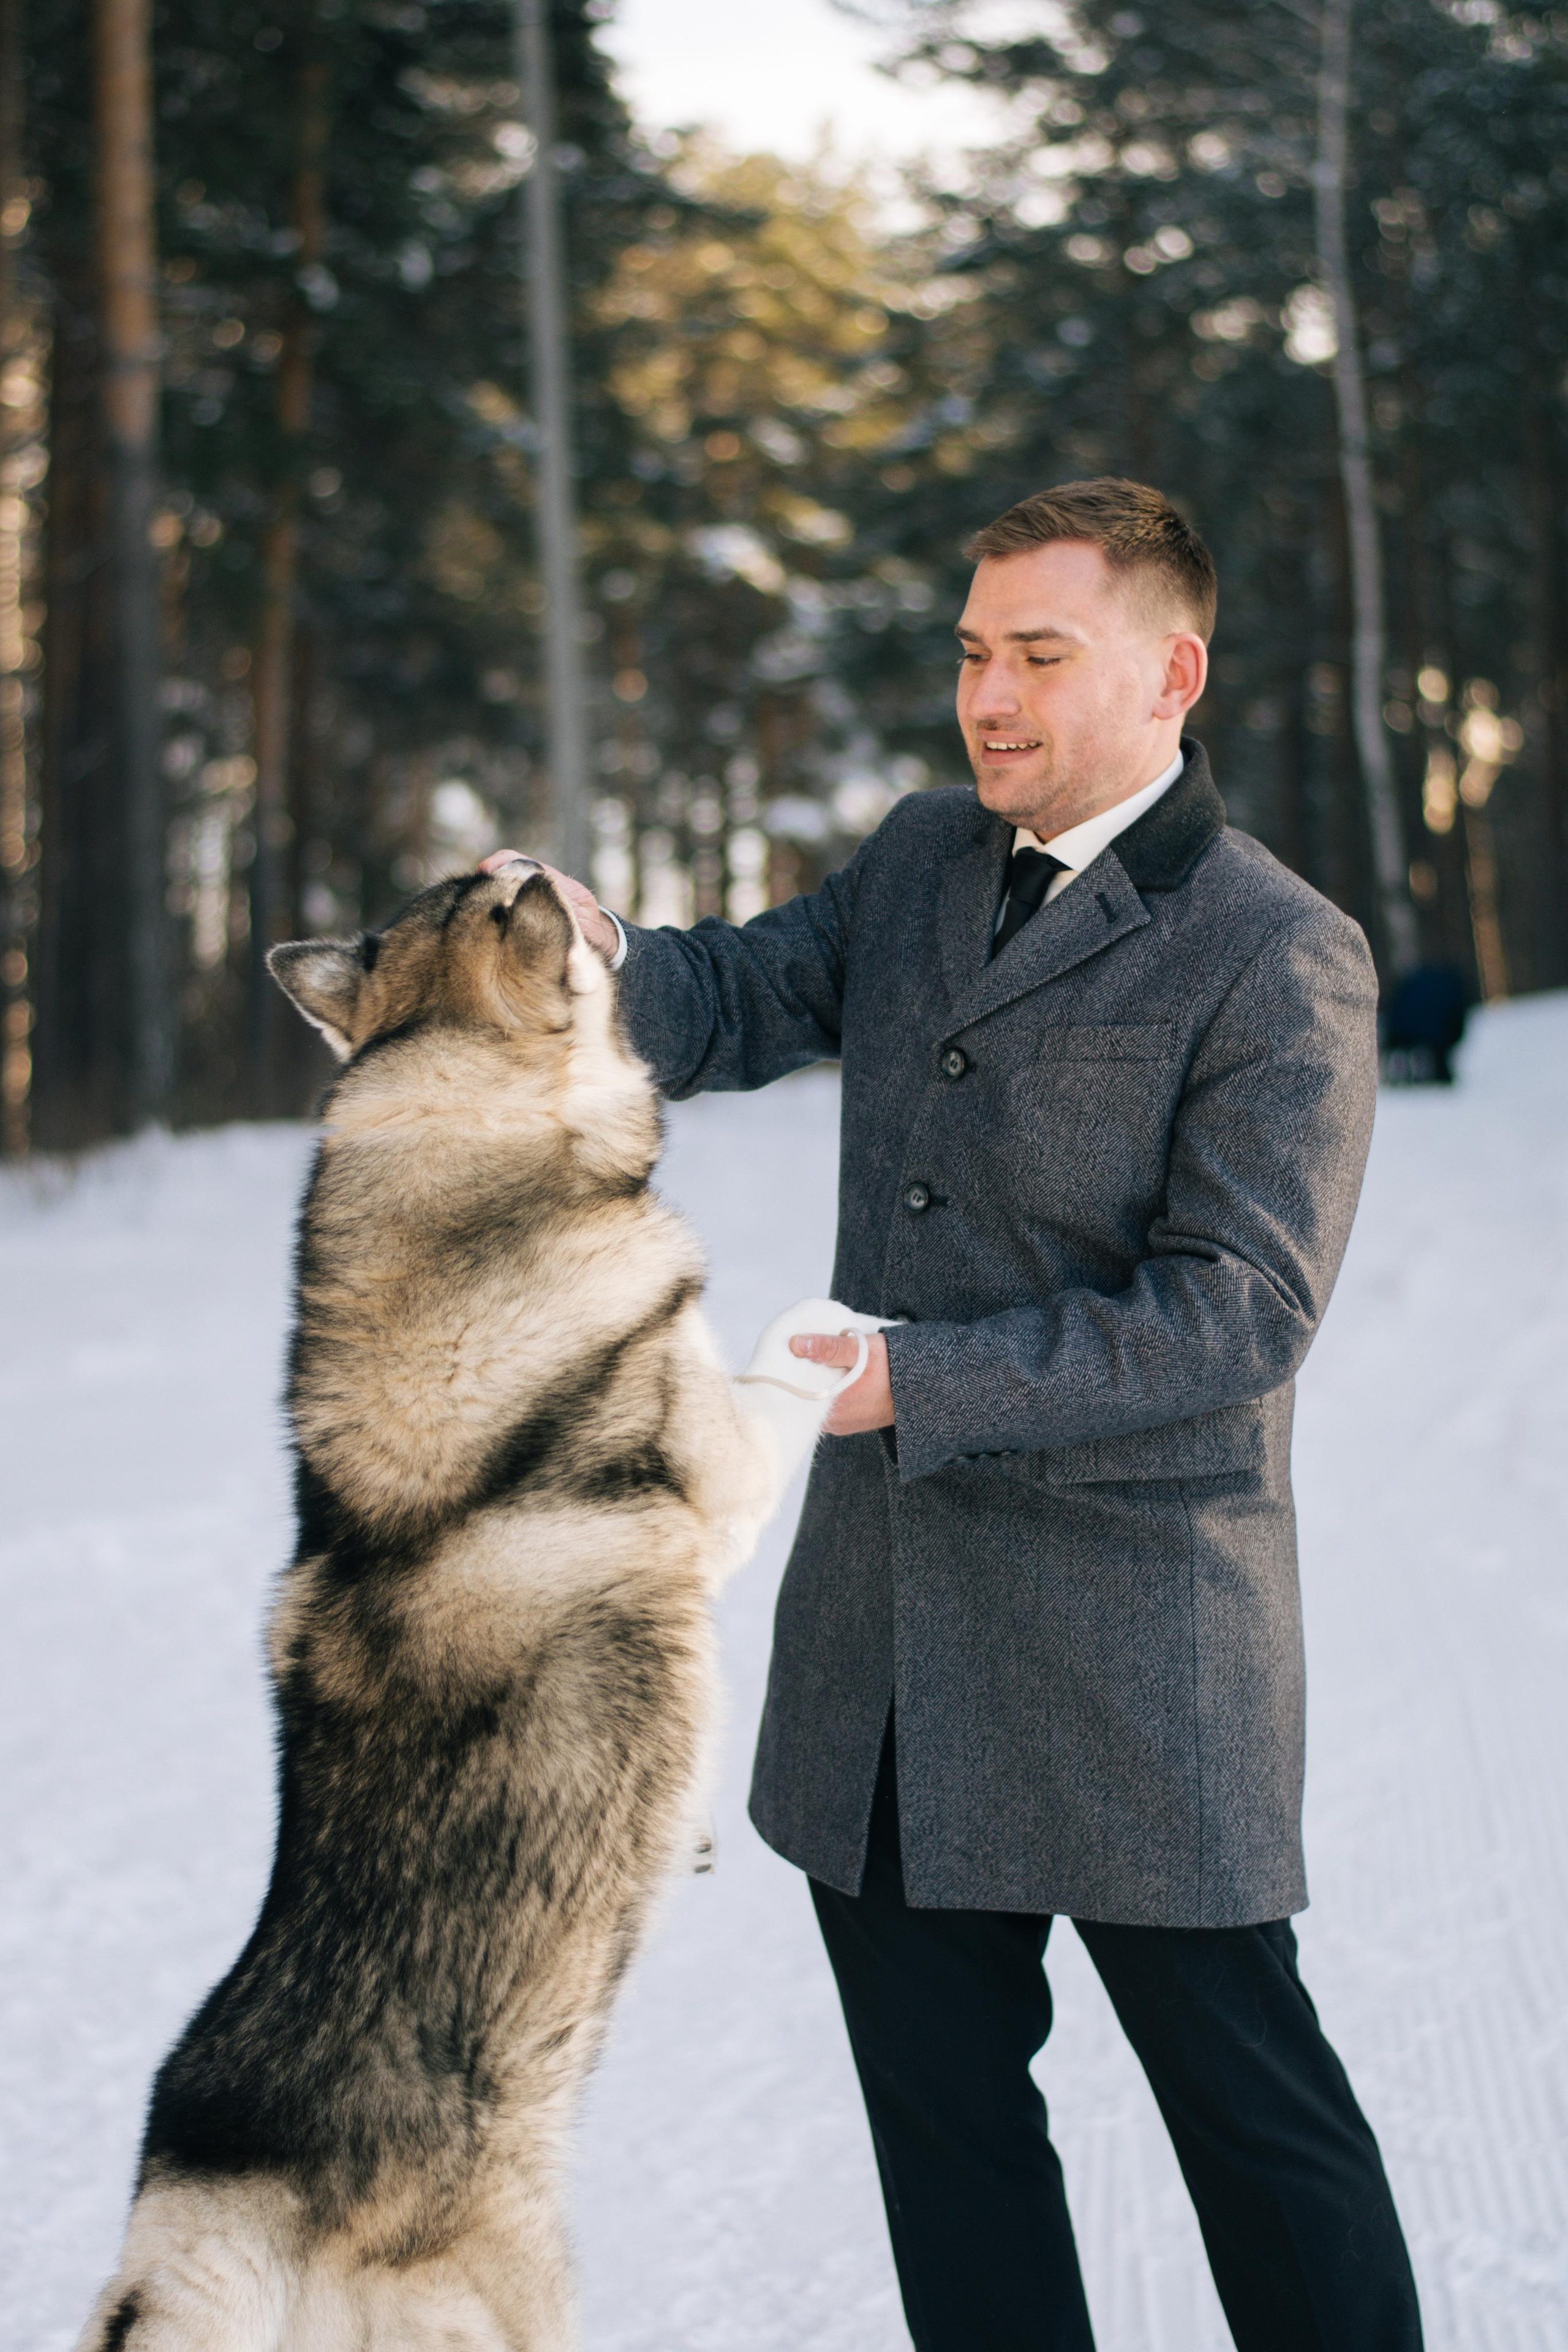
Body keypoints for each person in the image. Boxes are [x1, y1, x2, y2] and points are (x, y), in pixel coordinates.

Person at [483, 477, 1422, 2351]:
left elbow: (1239, 1312)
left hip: (1138, 1656)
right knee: (950, 2141)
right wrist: (590, 963)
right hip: (890, 1654)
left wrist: (928, 1380)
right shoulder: (922, 858)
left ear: (1174, 672)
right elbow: (737, 994)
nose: (989, 698)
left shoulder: (1275, 950)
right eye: (974, 654)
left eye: (1039, 657)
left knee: (1260, 2127)